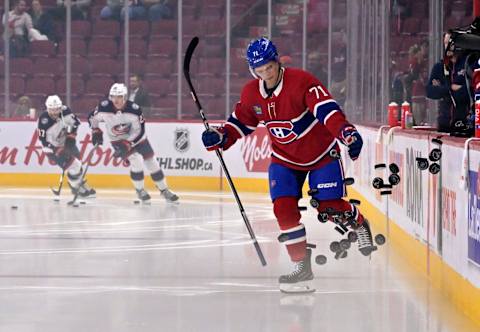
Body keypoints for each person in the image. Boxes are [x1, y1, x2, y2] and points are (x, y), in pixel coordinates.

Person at [201, 37, 375, 293]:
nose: (266, 74)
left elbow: (328, 111)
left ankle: (358, 222)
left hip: (322, 155)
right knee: (283, 209)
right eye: (260, 70)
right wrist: (221, 136)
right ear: (253, 70)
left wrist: (346, 132)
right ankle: (301, 266)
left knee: (329, 206)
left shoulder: (302, 82)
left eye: (269, 67)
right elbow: (240, 123)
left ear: (277, 61)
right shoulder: (251, 93)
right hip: (284, 160)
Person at [88, 83, 178, 203]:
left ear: (125, 97)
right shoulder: (103, 108)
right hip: (118, 139)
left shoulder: (134, 109)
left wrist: (129, 142)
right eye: (113, 96)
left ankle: (164, 190)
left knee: (152, 162)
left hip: (137, 138)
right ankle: (140, 190)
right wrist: (95, 130)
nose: (116, 100)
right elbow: (91, 117)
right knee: (136, 160)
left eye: (119, 96)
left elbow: (140, 131)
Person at [37, 95, 96, 198]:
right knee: (74, 165)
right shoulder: (43, 120)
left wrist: (71, 137)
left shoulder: (66, 111)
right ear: (47, 108)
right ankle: (76, 188)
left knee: (78, 164)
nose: (55, 112)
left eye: (57, 109)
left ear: (60, 107)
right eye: (52, 109)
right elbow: (43, 141)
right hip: (51, 149)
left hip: (66, 143)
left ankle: (80, 184)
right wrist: (56, 149)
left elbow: (76, 124)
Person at [426, 31, 473, 134]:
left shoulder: (468, 64)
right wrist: (450, 88)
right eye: (445, 43)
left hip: (464, 125)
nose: (447, 46)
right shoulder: (439, 67)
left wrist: (442, 90)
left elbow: (471, 91)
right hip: (444, 124)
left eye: (450, 43)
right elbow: (429, 91)